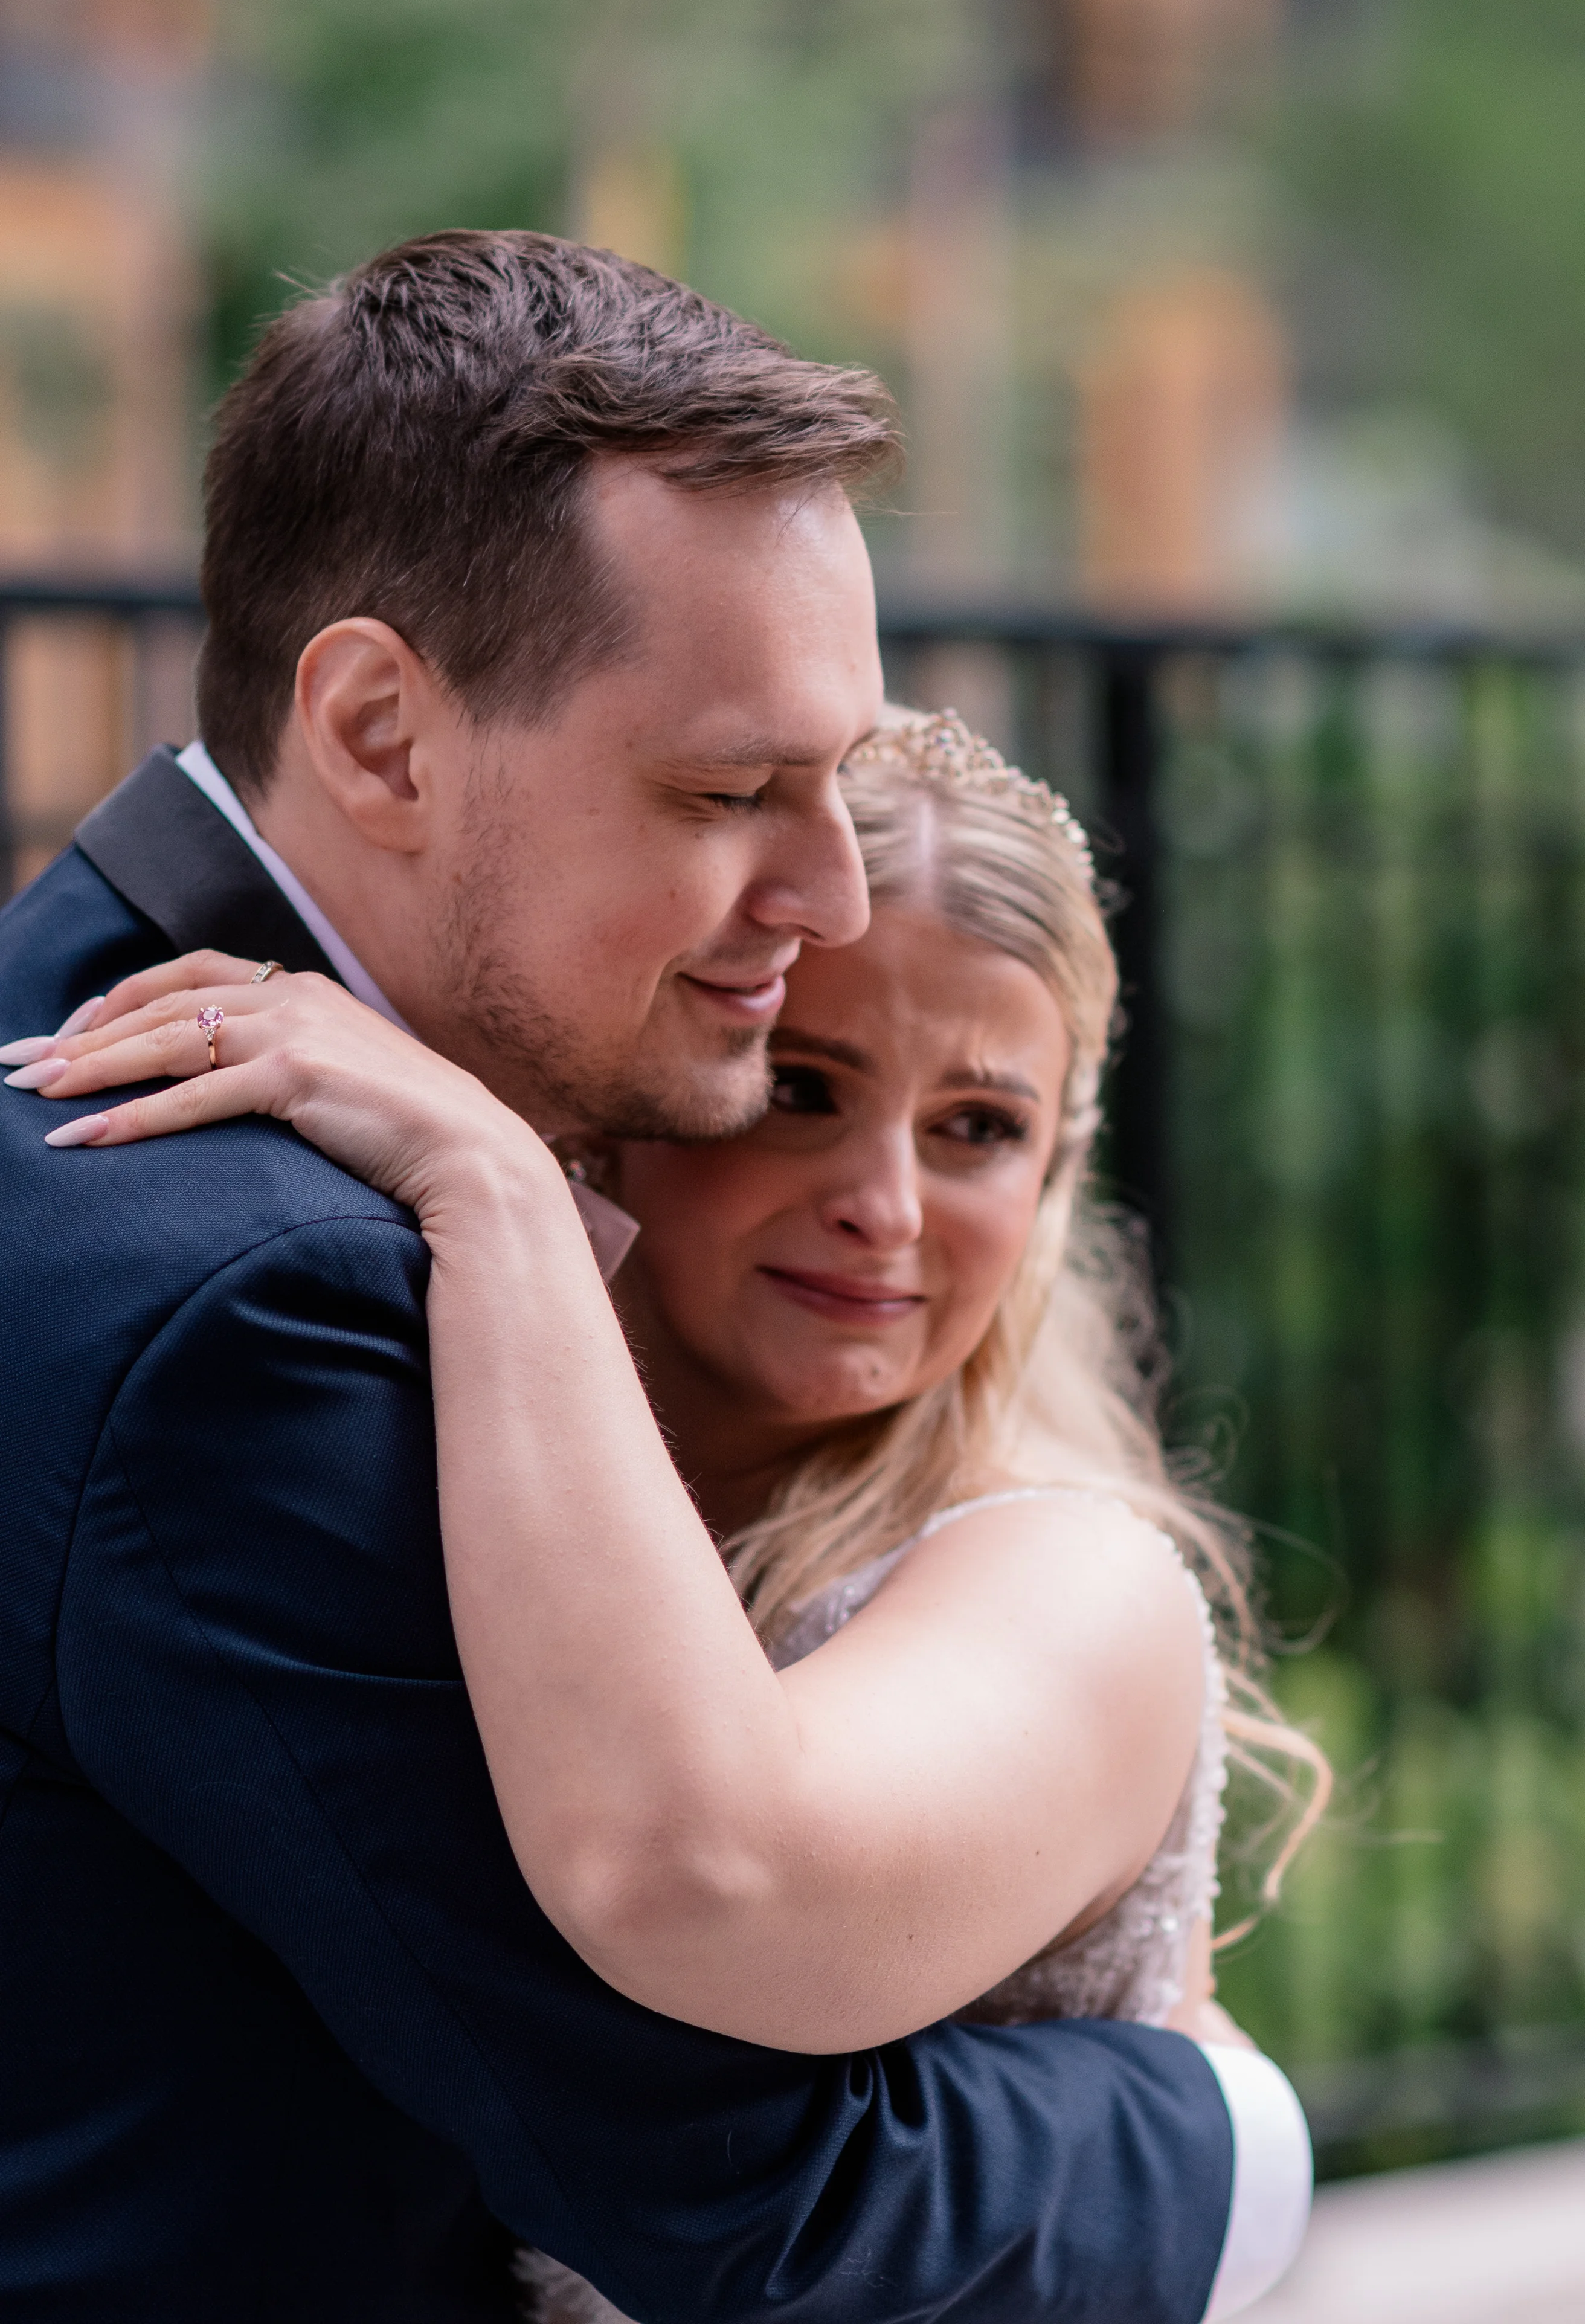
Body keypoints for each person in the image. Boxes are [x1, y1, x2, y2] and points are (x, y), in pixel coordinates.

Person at [0, 231, 1292, 2323]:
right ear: (384, 735)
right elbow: (745, 2202)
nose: (826, 889)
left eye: (836, 778)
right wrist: (1233, 2141)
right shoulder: (253, 1292)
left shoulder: (80, 1075)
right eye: (725, 791)